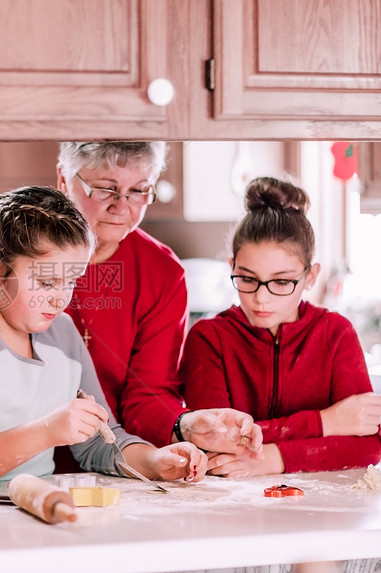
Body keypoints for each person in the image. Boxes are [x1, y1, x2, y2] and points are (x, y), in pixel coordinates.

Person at [0, 185, 207, 493]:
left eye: (71, 280)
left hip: (35, 510)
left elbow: (101, 442)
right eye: (47, 281)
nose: (60, 299)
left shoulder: (61, 331)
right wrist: (47, 431)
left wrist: (154, 460)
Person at [55, 142, 262, 461]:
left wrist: (185, 425)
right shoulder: (20, 255)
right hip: (18, 463)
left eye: (138, 190)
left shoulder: (163, 273)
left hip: (117, 463)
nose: (122, 207)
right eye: (106, 189)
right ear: (64, 181)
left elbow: (146, 395)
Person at [182, 177, 381, 477]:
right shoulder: (208, 337)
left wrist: (271, 458)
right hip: (233, 509)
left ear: (310, 276)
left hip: (323, 510)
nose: (261, 298)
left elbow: (367, 446)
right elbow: (216, 443)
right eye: (248, 279)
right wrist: (326, 423)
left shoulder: (336, 333)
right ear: (231, 266)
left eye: (281, 281)